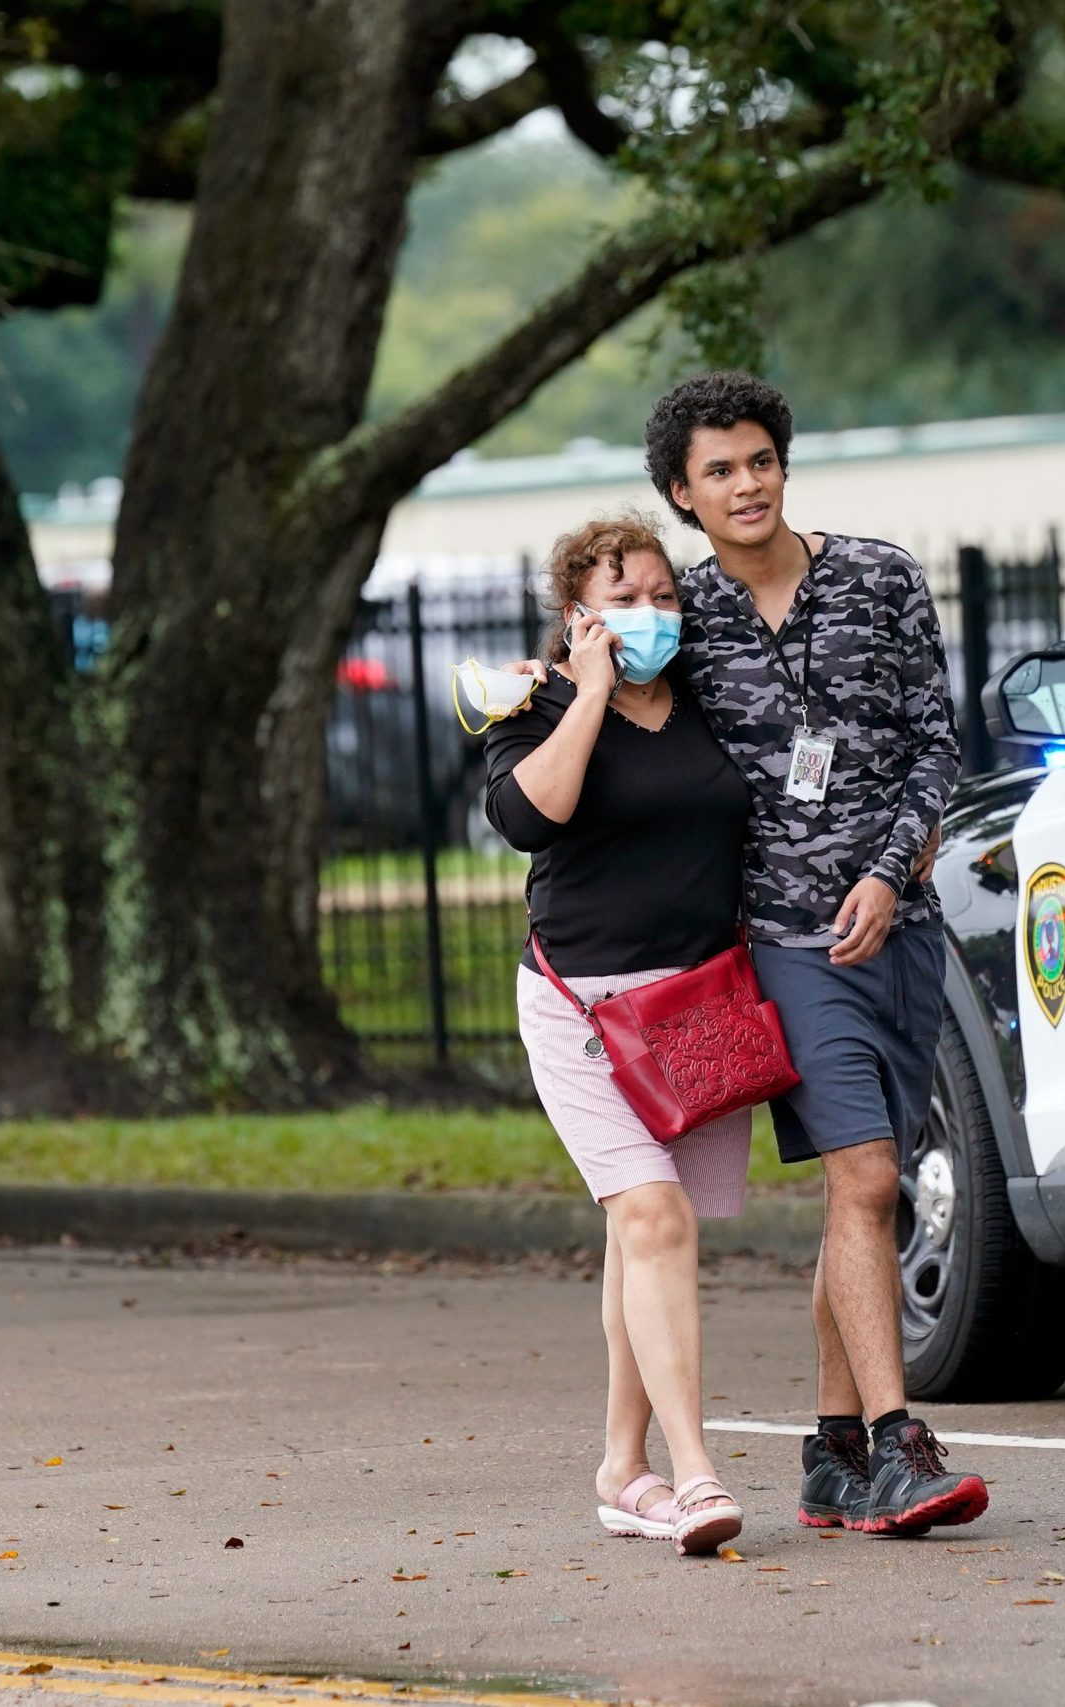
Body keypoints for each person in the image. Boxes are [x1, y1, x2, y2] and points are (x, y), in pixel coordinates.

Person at [644, 372, 988, 1536]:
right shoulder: (683, 625)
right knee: (867, 1181)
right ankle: (899, 1446)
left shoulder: (880, 577)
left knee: (866, 1196)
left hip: (904, 930)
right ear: (682, 497)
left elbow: (935, 747)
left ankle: (832, 1452)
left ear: (783, 463)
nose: (745, 485)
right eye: (717, 472)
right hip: (786, 949)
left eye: (758, 461)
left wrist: (891, 873)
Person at [481, 513, 751, 1557]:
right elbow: (526, 817)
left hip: (695, 1008)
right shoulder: (531, 701)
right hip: (581, 1010)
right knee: (654, 1217)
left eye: (662, 595)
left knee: (641, 1239)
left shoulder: (711, 700)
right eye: (623, 599)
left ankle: (619, 1469)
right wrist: (587, 692)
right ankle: (693, 1475)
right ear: (578, 616)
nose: (648, 616)